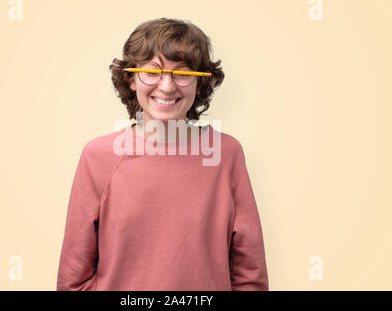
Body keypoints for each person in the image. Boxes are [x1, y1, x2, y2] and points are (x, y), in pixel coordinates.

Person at [56, 17, 268, 291]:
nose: (167, 87)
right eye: (152, 72)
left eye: (182, 73)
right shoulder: (98, 156)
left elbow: (249, 273)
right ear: (131, 79)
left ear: (200, 84)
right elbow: (73, 278)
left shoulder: (226, 155)